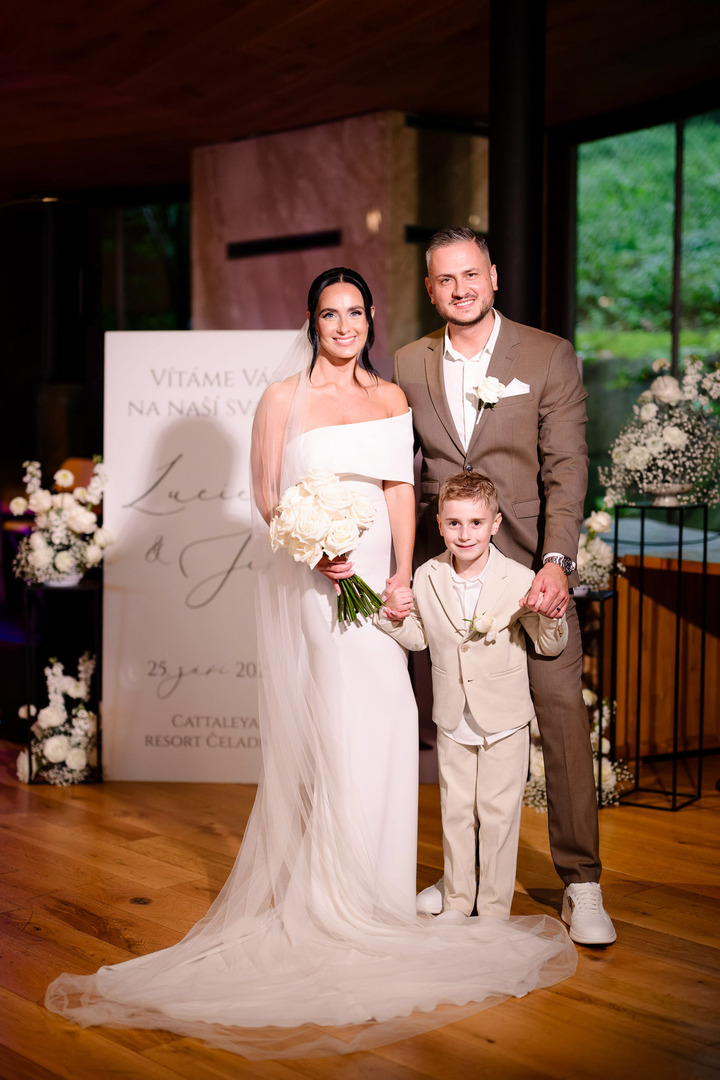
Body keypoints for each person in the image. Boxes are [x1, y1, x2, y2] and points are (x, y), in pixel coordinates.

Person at [45, 267, 576, 1060]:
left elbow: (402, 488)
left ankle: (384, 893)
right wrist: (311, 544)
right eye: (330, 314)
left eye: (355, 312)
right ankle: (336, 896)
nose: (344, 325)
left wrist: (400, 571)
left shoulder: (392, 398)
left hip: (378, 582)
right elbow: (266, 494)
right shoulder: (281, 400)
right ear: (312, 321)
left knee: (393, 718)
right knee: (335, 723)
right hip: (316, 580)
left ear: (369, 318)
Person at [394, 227, 616, 946]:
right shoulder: (406, 362)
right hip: (449, 580)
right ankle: (464, 878)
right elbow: (401, 470)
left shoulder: (546, 354)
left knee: (560, 722)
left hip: (530, 580)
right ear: (431, 289)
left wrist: (559, 561)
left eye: (470, 275)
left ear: (494, 277)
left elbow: (567, 467)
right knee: (454, 732)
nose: (459, 289)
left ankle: (581, 882)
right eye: (443, 280)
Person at [378, 472, 567, 922]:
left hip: (504, 718)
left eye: (477, 523)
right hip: (452, 716)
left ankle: (495, 909)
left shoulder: (520, 578)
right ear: (440, 525)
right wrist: (392, 616)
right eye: (455, 523)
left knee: (498, 815)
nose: (466, 534)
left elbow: (548, 644)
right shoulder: (426, 576)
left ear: (496, 524)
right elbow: (419, 637)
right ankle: (459, 901)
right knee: (456, 812)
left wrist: (552, 617)